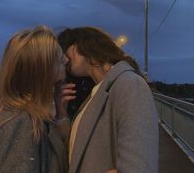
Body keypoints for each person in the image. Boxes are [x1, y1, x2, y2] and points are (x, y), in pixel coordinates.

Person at [55, 27, 159, 173]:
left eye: (65, 49)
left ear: (83, 44)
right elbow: (76, 151)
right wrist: (61, 114)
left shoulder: (130, 84)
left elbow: (139, 167)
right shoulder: (97, 92)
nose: (64, 59)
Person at [0, 26, 68, 173]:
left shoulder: (33, 115)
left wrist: (61, 113)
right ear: (41, 69)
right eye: (59, 60)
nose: (67, 60)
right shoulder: (21, 122)